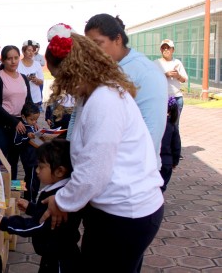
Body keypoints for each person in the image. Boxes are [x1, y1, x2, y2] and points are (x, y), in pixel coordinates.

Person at [41, 23, 164, 272]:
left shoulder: (104, 101)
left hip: (125, 217)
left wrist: (61, 201)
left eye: (61, 78)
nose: (62, 87)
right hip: (118, 214)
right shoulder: (97, 94)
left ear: (74, 70)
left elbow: (93, 172)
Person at [84, 14, 168, 169]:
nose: (92, 52)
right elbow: (79, 113)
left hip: (132, 178)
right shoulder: (97, 69)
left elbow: (151, 134)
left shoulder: (147, 73)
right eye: (88, 46)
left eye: (98, 44)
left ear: (117, 39)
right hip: (97, 171)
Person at [0, 139, 82, 273]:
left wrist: (5, 223)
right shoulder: (60, 193)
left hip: (59, 260)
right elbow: (44, 215)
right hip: (52, 254)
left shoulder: (59, 198)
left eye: (41, 167)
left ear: (59, 171)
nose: (37, 171)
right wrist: (31, 207)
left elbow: (37, 225)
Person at [0, 45, 32, 179]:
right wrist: (14, 122)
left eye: (16, 58)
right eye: (9, 59)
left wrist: (33, 120)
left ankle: (11, 191)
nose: (13, 61)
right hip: (1, 124)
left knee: (14, 160)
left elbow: (28, 101)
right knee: (1, 161)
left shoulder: (24, 78)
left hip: (19, 125)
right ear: (2, 60)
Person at [154, 38, 187, 124]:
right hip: (162, 98)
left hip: (176, 98)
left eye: (168, 48)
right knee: (162, 125)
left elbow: (184, 80)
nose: (165, 50)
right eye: (163, 48)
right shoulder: (155, 63)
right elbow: (152, 80)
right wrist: (166, 75)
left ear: (173, 50)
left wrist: (178, 76)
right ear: (160, 50)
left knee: (175, 126)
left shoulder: (177, 62)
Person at [13, 101, 41, 202]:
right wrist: (27, 138)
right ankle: (30, 199)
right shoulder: (22, 128)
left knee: (34, 178)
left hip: (36, 157)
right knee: (32, 178)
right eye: (32, 119)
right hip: (29, 159)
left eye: (36, 120)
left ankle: (30, 197)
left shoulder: (33, 126)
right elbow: (16, 143)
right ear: (24, 117)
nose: (34, 122)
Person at [159, 97, 181, 192]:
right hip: (166, 161)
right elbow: (176, 146)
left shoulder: (154, 124)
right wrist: (175, 161)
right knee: (162, 185)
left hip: (152, 159)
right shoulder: (172, 126)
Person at [18, 40, 44, 112]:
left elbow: (41, 82)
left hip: (35, 98)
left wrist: (36, 80)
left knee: (33, 121)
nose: (31, 53)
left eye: (33, 51)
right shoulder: (18, 64)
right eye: (29, 50)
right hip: (21, 98)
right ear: (23, 51)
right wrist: (26, 79)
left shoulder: (37, 64)